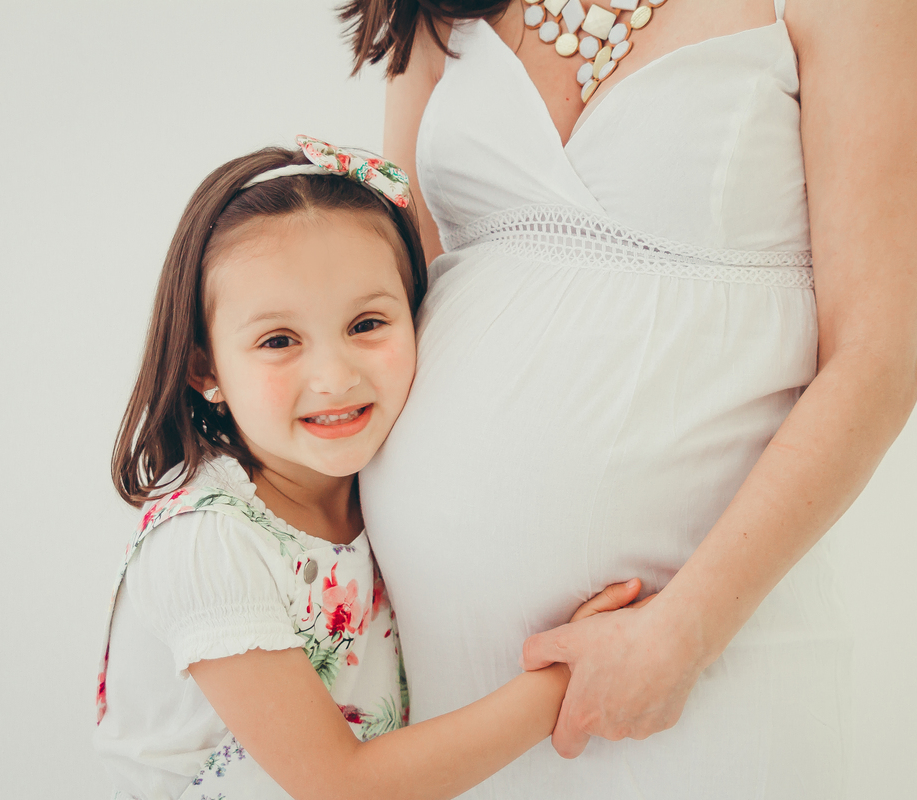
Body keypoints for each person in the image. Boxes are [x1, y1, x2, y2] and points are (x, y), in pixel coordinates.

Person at [347, 0, 917, 796]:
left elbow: (875, 361)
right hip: (436, 669)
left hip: (696, 662)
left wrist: (686, 634)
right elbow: (386, 297)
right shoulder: (439, 8)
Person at [91, 136, 646, 800]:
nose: (334, 376)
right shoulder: (206, 542)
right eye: (278, 340)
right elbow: (341, 785)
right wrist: (573, 674)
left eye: (366, 324)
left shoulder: (387, 488)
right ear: (204, 367)